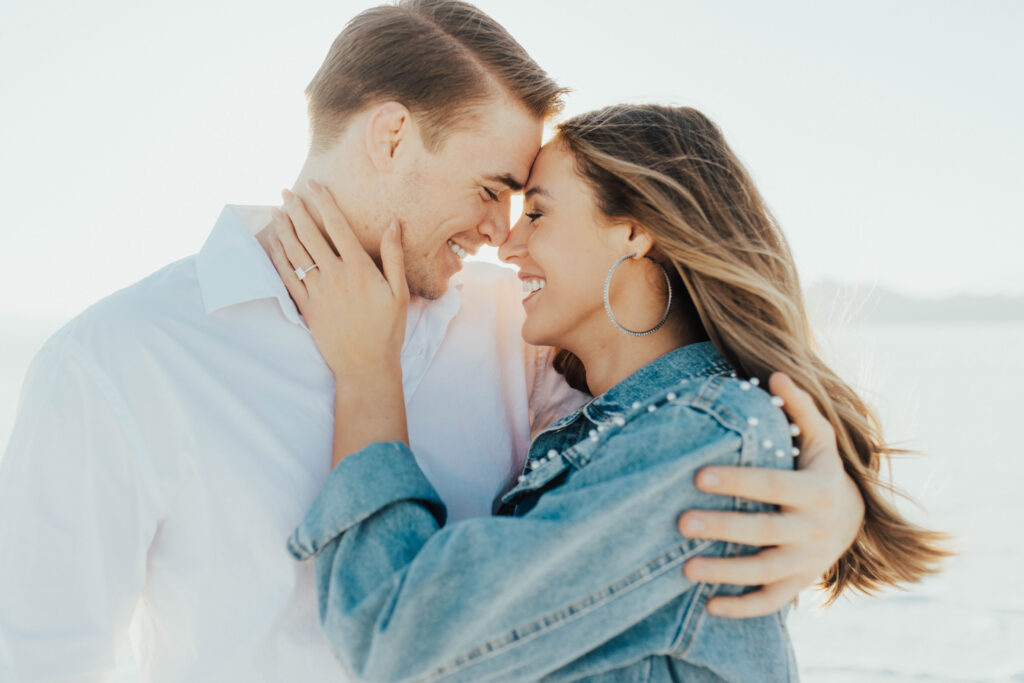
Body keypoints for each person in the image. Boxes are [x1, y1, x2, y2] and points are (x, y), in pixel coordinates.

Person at [0, 2, 863, 681]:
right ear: (390, 135)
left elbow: (672, 446)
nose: (500, 232)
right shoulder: (116, 360)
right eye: (493, 188)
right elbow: (40, 662)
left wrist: (831, 504)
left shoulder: (515, 330)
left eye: (526, 203)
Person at [270, 103, 949, 681]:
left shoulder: (707, 437)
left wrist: (367, 374)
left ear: (635, 230)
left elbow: (402, 636)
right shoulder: (618, 426)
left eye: (537, 212)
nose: (507, 246)